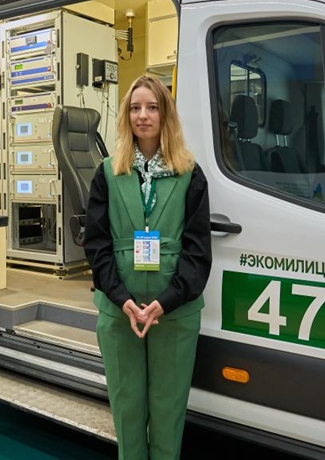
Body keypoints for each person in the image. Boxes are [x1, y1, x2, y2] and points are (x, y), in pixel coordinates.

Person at [84, 75, 212, 460]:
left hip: (174, 312)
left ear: (165, 114)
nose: (143, 115)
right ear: (126, 116)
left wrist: (166, 301)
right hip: (119, 310)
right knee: (126, 406)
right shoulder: (108, 172)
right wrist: (121, 298)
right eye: (135, 108)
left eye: (152, 107)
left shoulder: (190, 173)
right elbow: (97, 243)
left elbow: (198, 251)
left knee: (169, 408)